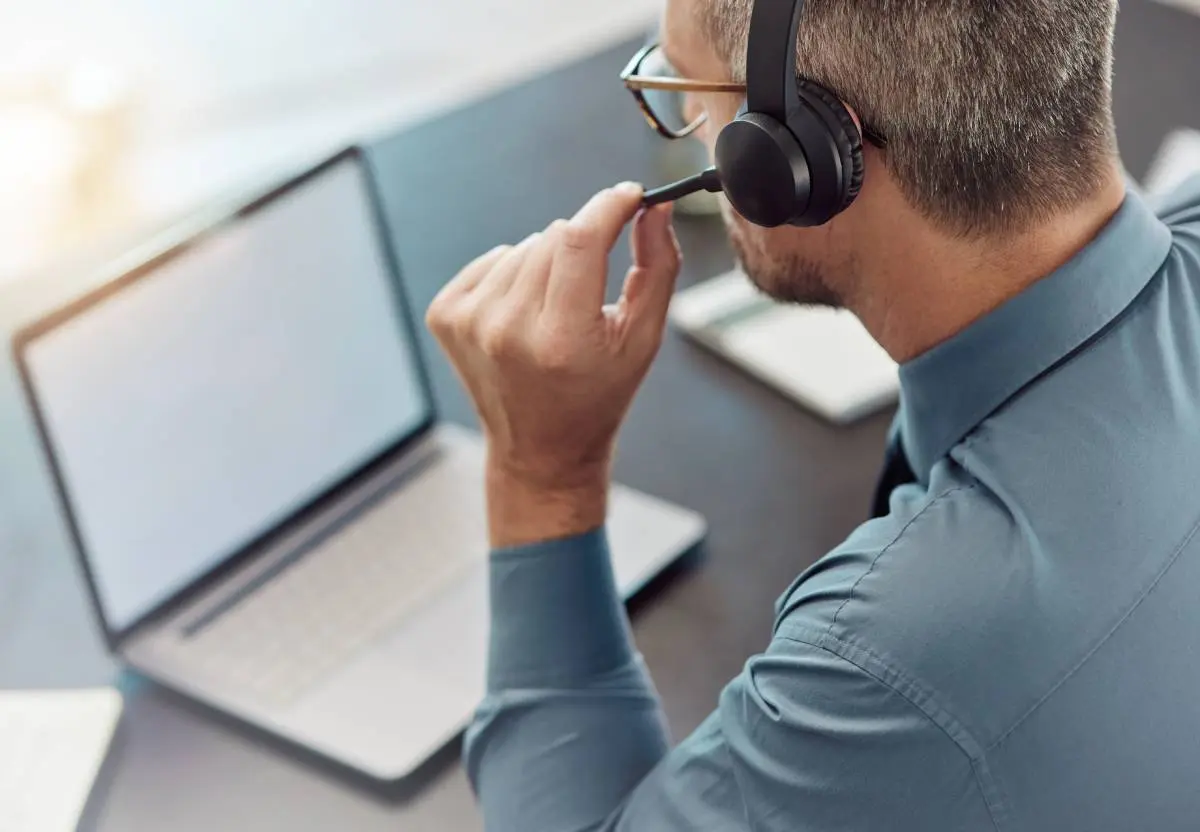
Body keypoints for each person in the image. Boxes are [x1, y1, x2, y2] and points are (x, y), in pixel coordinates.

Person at [425, 0, 1200, 828]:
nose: (691, 123)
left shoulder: (899, 656)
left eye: (693, 90)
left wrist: (543, 479)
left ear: (802, 150)